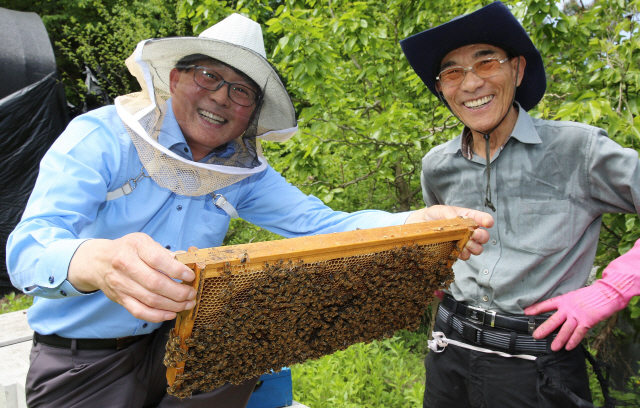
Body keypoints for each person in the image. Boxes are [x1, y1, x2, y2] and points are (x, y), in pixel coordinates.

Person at [6, 13, 492, 408]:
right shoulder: (101, 139)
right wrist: (95, 263)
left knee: (247, 340)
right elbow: (28, 250)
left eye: (242, 91)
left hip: (186, 351)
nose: (221, 96)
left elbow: (322, 225)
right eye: (208, 76)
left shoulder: (243, 170)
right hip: (84, 362)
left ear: (253, 112)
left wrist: (413, 223)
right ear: (174, 78)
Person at [400, 1, 640, 407]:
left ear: (518, 69)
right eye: (453, 72)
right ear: (442, 89)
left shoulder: (578, 149)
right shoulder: (436, 166)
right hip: (448, 353)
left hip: (538, 365)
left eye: (487, 63)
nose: (472, 84)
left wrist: (612, 288)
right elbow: (440, 249)